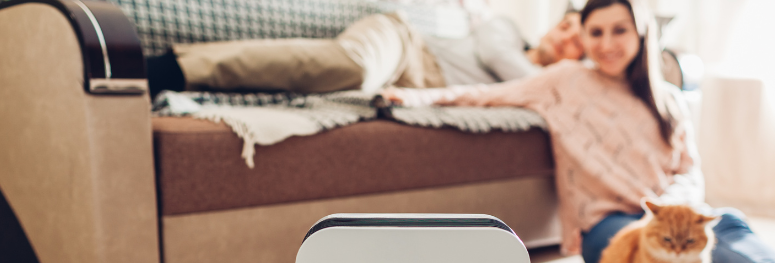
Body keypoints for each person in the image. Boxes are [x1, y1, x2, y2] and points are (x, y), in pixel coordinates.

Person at [383, 0, 775, 263]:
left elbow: (691, 173)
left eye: (618, 30)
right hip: (608, 226)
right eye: (594, 33)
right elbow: (486, 95)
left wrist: (672, 207)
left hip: (667, 213)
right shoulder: (564, 80)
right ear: (582, 38)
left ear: (640, 33)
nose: (606, 43)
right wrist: (415, 97)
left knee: (725, 224)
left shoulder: (669, 100)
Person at [146, 10, 583, 98]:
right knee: (354, 68)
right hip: (404, 45)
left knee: (356, 80)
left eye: (578, 43)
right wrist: (558, 77)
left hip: (414, 87)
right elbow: (500, 57)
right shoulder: (506, 31)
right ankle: (171, 67)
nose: (566, 40)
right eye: (567, 27)